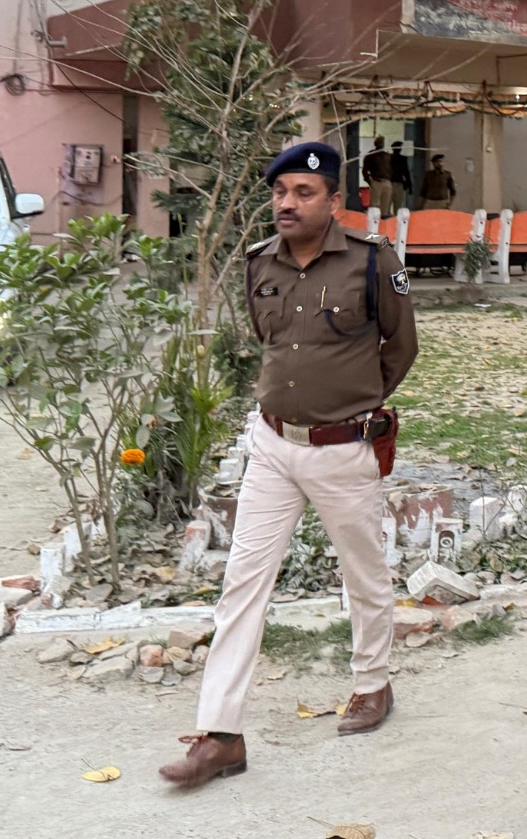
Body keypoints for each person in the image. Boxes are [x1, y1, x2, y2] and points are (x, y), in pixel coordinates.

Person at [159, 142, 419, 789]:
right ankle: (221, 734)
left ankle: (373, 683)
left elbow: (401, 346)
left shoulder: (372, 262)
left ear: (334, 201)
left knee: (364, 574)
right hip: (272, 447)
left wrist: (353, 404)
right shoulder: (259, 264)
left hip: (344, 450)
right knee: (242, 584)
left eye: (304, 192)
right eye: (279, 192)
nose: (287, 202)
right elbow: (267, 340)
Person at [362, 136, 394, 214]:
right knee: (374, 205)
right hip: (376, 181)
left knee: (385, 206)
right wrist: (370, 181)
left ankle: (384, 218)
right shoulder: (371, 155)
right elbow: (365, 170)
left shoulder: (387, 156)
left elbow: (392, 169)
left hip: (386, 181)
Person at [389, 141, 412, 215]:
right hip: (391, 183)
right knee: (389, 206)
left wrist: (409, 185)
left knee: (398, 207)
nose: (400, 149)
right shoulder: (389, 158)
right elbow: (406, 172)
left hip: (399, 183)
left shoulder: (402, 159)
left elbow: (406, 172)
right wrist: (409, 185)